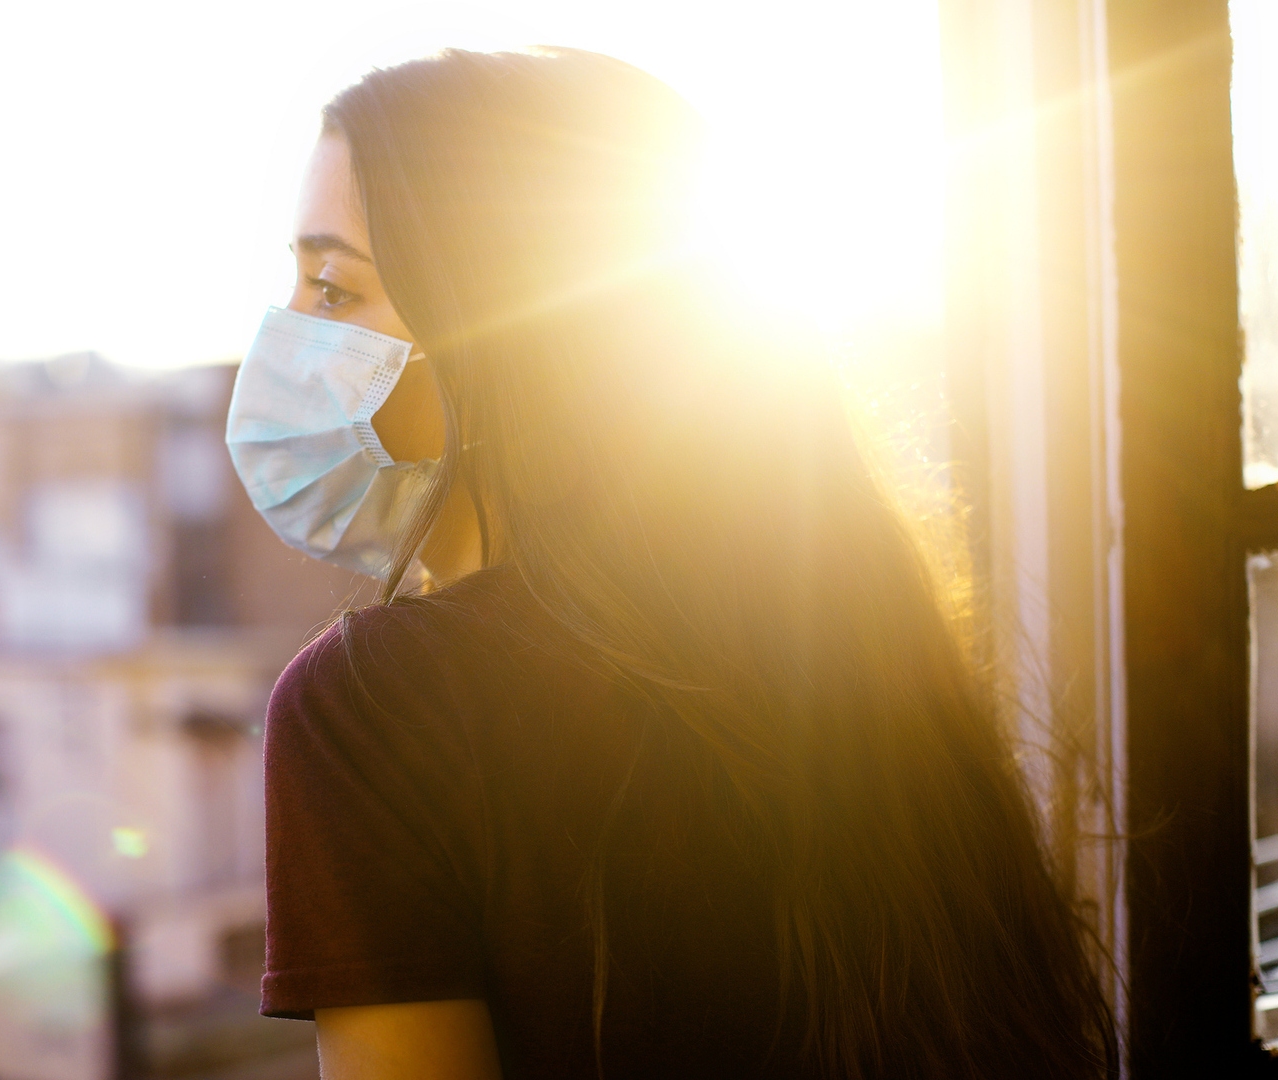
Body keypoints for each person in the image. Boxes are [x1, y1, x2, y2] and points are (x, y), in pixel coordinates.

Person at [224, 47, 1115, 1079]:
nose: (283, 337)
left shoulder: (370, 710)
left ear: (503, 330)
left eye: (333, 289)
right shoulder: (850, 637)